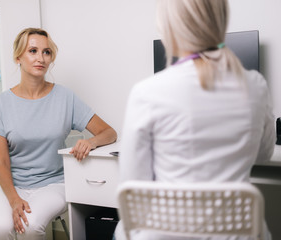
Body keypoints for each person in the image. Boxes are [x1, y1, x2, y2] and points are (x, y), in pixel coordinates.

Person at [115, 0, 275, 239]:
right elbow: (263, 155)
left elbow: (133, 185)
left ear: (169, 26)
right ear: (220, 20)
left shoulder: (147, 92)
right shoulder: (256, 85)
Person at [0, 27, 117, 240]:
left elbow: (109, 132)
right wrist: (13, 199)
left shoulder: (65, 97)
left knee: (31, 225)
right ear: (18, 56)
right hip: (13, 184)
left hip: (53, 183)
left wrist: (91, 142)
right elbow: (0, 161)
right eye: (33, 51)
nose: (41, 58)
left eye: (46, 52)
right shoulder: (1, 104)